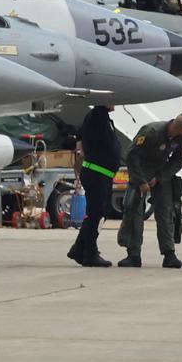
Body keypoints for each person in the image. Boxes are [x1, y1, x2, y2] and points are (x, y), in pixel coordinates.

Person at [116, 115, 182, 268]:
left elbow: (179, 159)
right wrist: (141, 181)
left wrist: (161, 177)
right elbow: (131, 155)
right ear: (178, 129)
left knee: (166, 212)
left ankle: (169, 254)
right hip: (140, 171)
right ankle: (133, 254)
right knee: (135, 213)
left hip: (160, 174)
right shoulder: (151, 132)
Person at [67, 105, 119, 267]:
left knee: (97, 213)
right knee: (96, 214)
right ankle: (90, 252)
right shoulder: (97, 115)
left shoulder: (101, 117)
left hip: (101, 174)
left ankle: (79, 248)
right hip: (97, 174)